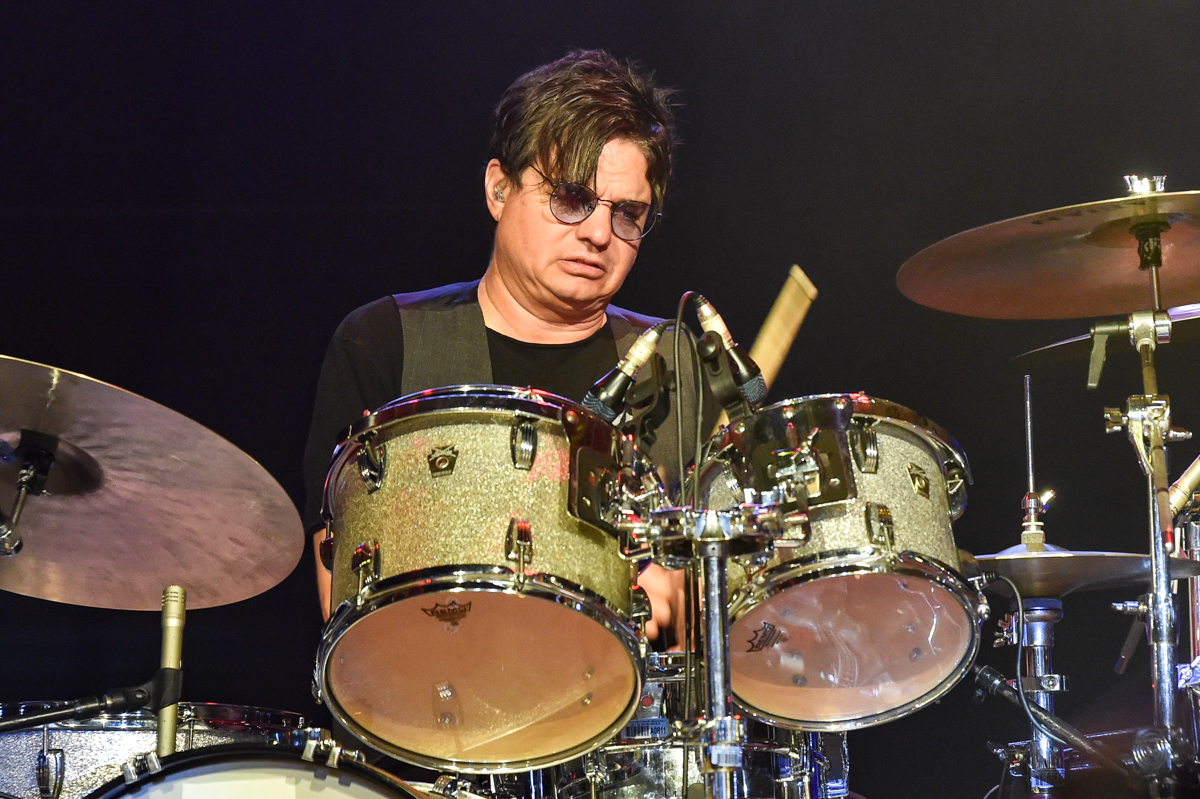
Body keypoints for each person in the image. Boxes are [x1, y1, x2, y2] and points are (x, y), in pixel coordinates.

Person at [302, 49, 714, 644]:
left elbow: (734, 619)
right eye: (571, 198)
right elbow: (348, 606)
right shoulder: (384, 342)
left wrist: (690, 593)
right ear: (499, 189)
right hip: (439, 710)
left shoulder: (681, 367)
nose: (599, 233)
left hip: (636, 728)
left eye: (628, 214)